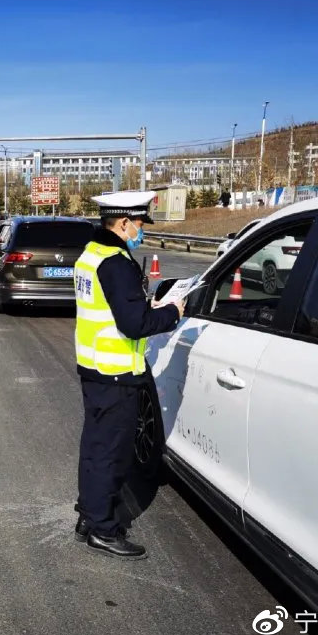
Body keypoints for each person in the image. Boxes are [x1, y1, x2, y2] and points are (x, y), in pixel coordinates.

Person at [73, 191, 185, 560]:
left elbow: (110, 309)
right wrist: (171, 312)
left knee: (95, 448)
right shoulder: (116, 263)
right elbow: (134, 324)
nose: (142, 231)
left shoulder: (91, 254)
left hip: (94, 368)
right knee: (112, 454)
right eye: (139, 224)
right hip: (117, 372)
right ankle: (104, 530)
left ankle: (89, 516)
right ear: (122, 223)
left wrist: (140, 305)